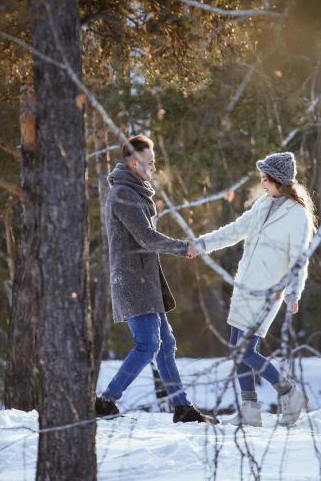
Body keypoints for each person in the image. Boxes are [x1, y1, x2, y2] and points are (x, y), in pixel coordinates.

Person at [94, 134, 215, 424]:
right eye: (149, 162)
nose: (153, 167)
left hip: (146, 281)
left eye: (154, 162)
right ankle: (105, 401)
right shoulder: (123, 194)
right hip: (133, 281)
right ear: (134, 163)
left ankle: (182, 407)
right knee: (148, 344)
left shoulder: (135, 192)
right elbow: (146, 238)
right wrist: (182, 247)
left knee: (166, 343)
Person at [196, 152, 316, 427]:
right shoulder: (264, 204)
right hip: (244, 287)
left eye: (266, 179)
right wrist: (201, 245)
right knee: (235, 347)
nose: (262, 184)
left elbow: (300, 258)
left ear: (279, 180)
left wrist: (294, 293)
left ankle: (289, 392)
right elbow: (236, 230)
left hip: (267, 292)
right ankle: (250, 410)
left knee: (246, 350)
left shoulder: (297, 216)